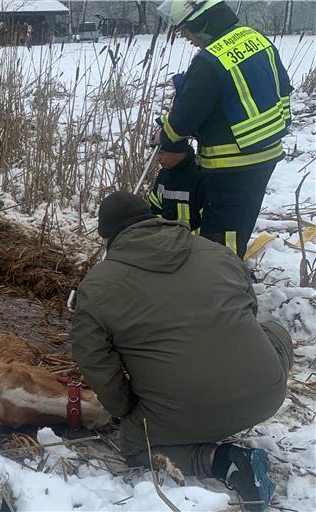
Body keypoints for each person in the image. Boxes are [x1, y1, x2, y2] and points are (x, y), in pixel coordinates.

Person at [71, 192, 293, 511]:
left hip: (184, 411)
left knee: (135, 446)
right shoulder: (217, 251)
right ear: (153, 218)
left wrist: (127, 408)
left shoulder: (97, 285)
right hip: (266, 395)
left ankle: (225, 461)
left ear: (105, 237)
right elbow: (249, 307)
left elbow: (92, 359)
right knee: (276, 332)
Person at [155, 0, 292, 258]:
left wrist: (165, 132)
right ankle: (230, 270)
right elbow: (281, 88)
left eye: (186, 30)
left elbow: (183, 122)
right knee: (241, 221)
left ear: (201, 21)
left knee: (221, 235)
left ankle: (222, 286)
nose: (187, 37)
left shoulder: (209, 61)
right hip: (267, 153)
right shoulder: (255, 38)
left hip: (231, 164)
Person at [148, 138, 205, 233]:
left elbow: (209, 224)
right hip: (166, 243)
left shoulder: (200, 178)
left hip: (195, 245)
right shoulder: (163, 175)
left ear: (179, 151)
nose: (157, 158)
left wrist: (184, 242)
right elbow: (155, 211)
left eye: (161, 153)